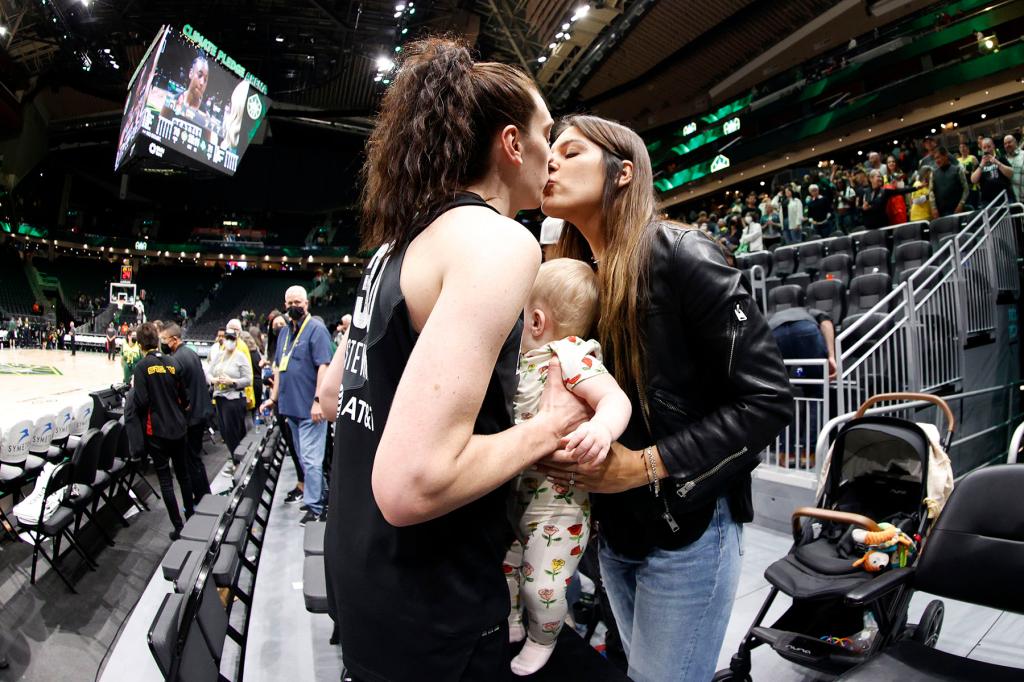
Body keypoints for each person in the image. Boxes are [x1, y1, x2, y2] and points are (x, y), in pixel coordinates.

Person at [320, 38, 588, 681]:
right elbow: (412, 484)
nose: (552, 154)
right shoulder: (498, 242)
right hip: (433, 608)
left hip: (364, 586)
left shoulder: (399, 242)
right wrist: (544, 430)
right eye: (546, 132)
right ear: (511, 144)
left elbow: (334, 397)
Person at [539, 114, 792, 682]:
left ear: (623, 173)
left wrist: (644, 467)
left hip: (690, 529)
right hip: (614, 536)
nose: (551, 160)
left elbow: (768, 400)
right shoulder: (579, 277)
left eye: (572, 152)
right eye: (550, 151)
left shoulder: (684, 253)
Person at [504, 259, 632, 675]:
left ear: (537, 319)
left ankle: (545, 638)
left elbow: (615, 400)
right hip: (517, 498)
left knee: (543, 587)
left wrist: (600, 430)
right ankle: (513, 624)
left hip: (557, 507)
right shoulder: (524, 362)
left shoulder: (571, 354)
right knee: (506, 569)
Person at [260, 286, 332, 525]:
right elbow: (280, 368)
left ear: (307, 304)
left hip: (311, 410)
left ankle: (316, 507)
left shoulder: (317, 330)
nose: (294, 306)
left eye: (298, 302)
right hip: (290, 408)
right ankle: (319, 496)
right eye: (290, 302)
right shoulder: (283, 333)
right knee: (304, 459)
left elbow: (324, 366)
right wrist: (273, 397)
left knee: (311, 460)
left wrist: (319, 400)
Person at [125, 322, 193, 540]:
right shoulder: (173, 363)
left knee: (165, 480)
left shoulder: (141, 368)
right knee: (183, 474)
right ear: (157, 340)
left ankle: (179, 526)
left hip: (158, 432)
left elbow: (142, 401)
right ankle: (191, 515)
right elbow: (185, 399)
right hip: (179, 428)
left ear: (139, 343)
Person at [160, 323, 213, 502]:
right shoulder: (190, 353)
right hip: (201, 411)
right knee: (194, 458)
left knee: (191, 460)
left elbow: (179, 392)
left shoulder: (177, 359)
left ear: (174, 340)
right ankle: (203, 494)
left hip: (192, 416)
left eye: (164, 340)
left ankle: (202, 498)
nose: (162, 343)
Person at [206, 328, 252, 459]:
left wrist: (232, 381)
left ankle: (238, 460)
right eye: (228, 339)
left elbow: (248, 379)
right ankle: (235, 458)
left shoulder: (241, 356)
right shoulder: (219, 355)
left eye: (232, 339)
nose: (229, 341)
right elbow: (209, 373)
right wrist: (213, 380)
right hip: (220, 398)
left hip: (234, 399)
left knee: (234, 433)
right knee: (225, 433)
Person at [971, 137, 1014, 205]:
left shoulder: (1001, 158)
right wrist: (981, 165)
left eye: (989, 147)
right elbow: (973, 180)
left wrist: (997, 163)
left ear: (993, 146)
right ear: (981, 149)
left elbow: (1011, 174)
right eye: (984, 148)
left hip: (1004, 198)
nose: (987, 150)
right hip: (987, 201)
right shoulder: (979, 164)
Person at [931, 147, 968, 217]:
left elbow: (966, 189)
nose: (937, 161)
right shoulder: (933, 173)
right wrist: (933, 208)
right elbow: (931, 192)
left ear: (945, 156)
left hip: (958, 210)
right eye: (935, 159)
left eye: (938, 157)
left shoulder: (957, 170)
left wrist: (961, 204)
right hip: (941, 212)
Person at [1003, 133, 1023, 202]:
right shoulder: (1003, 160)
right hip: (1012, 201)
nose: (1007, 145)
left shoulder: (1023, 155)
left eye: (1009, 142)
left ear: (1015, 142)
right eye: (1005, 144)